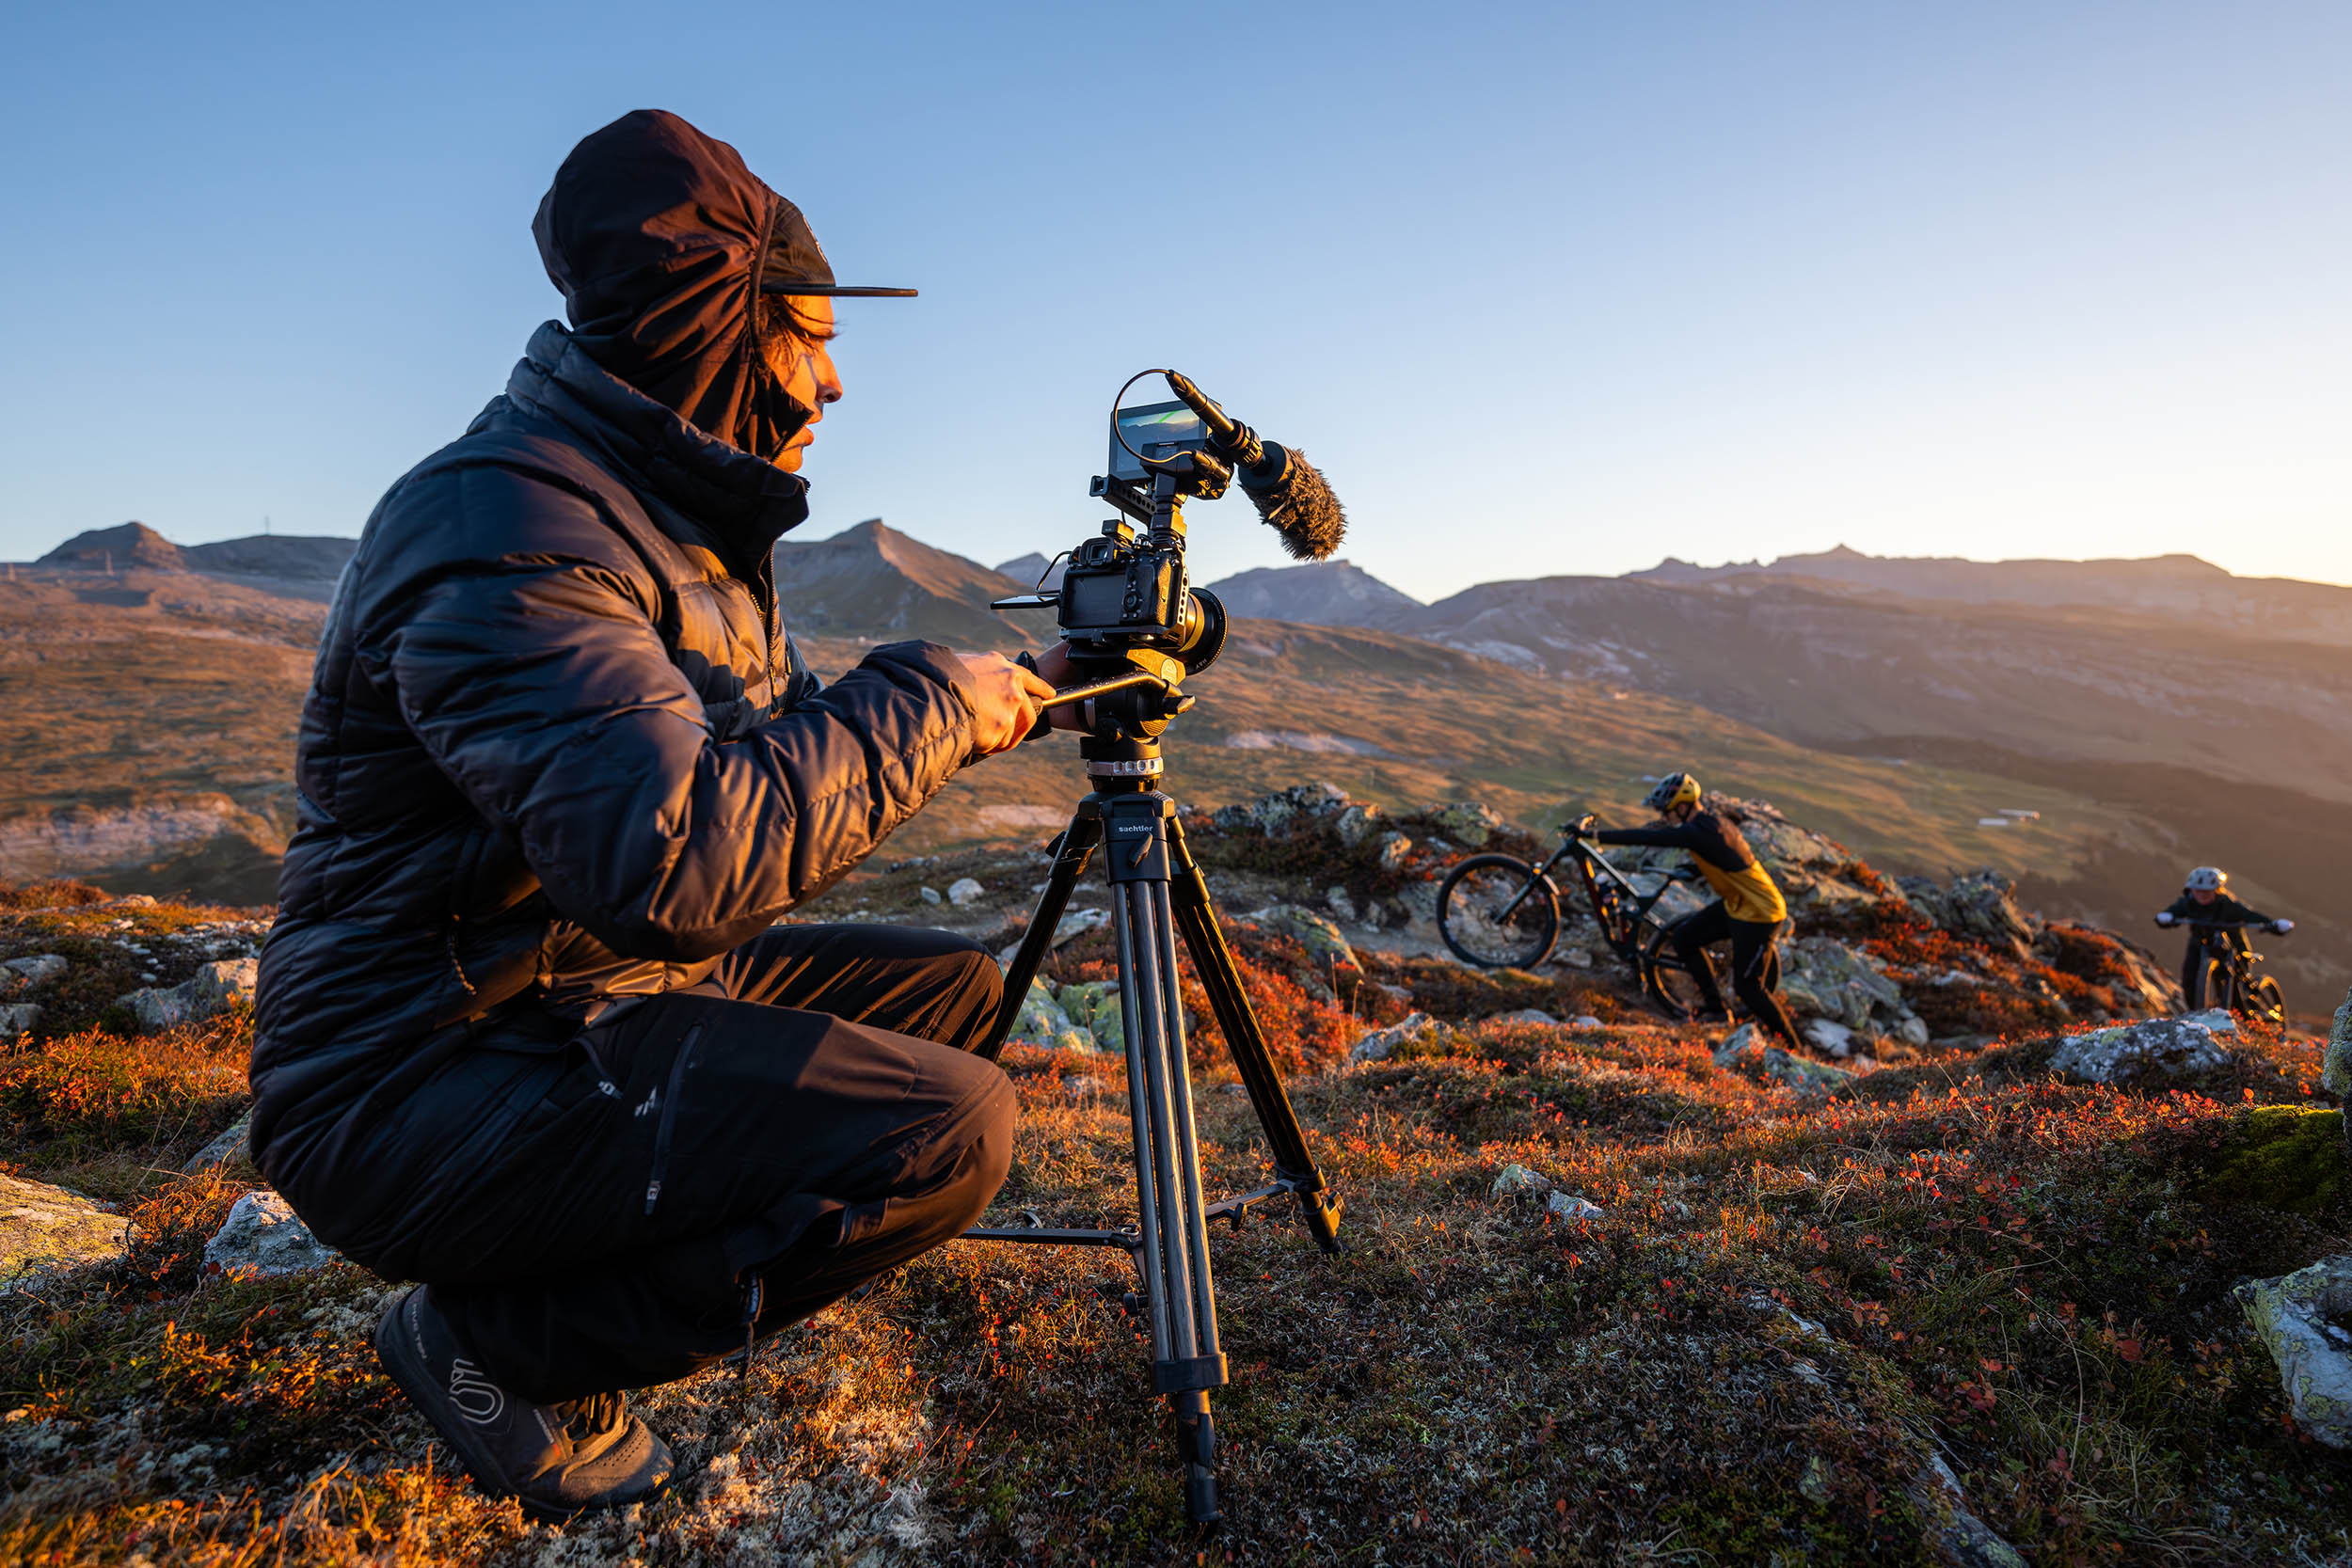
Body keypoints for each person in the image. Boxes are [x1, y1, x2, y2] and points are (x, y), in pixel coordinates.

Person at [249, 110, 1072, 1520]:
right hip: (418, 1073)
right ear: (720, 329)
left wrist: (1048, 692)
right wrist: (934, 692)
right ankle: (494, 1344)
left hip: (580, 985)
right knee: (949, 1129)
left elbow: (781, 755)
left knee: (950, 989)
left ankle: (600, 1255)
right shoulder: (504, 526)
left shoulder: (660, 517)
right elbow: (677, 860)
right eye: (810, 337)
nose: (830, 379)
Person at [1587, 771, 1804, 1050]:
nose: (1665, 817)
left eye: (1666, 812)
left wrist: (1596, 835)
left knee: (1749, 988)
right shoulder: (1709, 824)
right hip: (1736, 905)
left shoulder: (1699, 831)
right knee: (1684, 938)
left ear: (1682, 806)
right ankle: (1715, 1009)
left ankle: (1793, 1048)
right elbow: (1726, 855)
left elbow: (1652, 837)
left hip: (1760, 912)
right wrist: (1695, 868)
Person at [2154, 866, 2292, 1007]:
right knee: (2189, 980)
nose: (2202, 894)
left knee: (2239, 984)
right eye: (2198, 890)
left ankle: (2247, 1006)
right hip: (2199, 945)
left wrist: (2272, 924)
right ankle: (2194, 1014)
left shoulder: (2229, 906)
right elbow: (2172, 912)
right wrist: (2166, 917)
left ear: (2217, 890)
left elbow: (2250, 916)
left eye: (2207, 891)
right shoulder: (2187, 903)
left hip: (2233, 945)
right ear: (2191, 890)